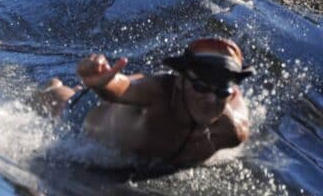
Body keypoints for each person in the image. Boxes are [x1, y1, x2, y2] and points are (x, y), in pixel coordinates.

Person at [37, 37, 253, 167]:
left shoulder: (231, 131)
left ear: (232, 92)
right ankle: (54, 88)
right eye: (201, 87)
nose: (210, 99)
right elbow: (120, 89)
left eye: (221, 91)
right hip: (88, 117)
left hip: (128, 114)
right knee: (59, 100)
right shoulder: (158, 93)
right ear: (180, 82)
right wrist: (102, 82)